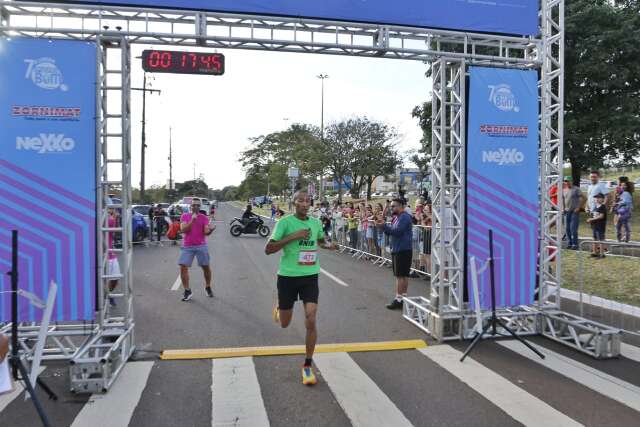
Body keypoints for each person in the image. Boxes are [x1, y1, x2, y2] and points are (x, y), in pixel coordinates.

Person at [265, 190, 335, 386]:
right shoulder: (285, 223)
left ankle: (307, 365)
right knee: (285, 323)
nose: (305, 203)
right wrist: (294, 236)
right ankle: (281, 306)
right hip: (287, 277)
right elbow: (268, 249)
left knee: (311, 317)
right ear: (293, 203)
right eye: (301, 200)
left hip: (310, 276)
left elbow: (320, 240)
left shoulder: (315, 222)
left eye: (308, 200)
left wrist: (328, 245)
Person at [377, 198, 413, 309]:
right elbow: (391, 232)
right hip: (399, 249)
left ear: (401, 206)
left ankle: (399, 299)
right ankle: (402, 298)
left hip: (402, 249)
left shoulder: (404, 217)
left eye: (394, 206)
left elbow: (397, 232)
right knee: (403, 275)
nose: (391, 208)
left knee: (400, 276)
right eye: (391, 206)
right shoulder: (396, 217)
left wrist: (383, 226)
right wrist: (383, 226)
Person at [179, 197, 215, 301]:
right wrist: (193, 220)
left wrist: (211, 230)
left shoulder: (204, 217)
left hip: (201, 245)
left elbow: (205, 232)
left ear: (200, 206)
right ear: (190, 206)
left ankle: (208, 287)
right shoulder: (185, 216)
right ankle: (187, 291)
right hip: (187, 246)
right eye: (194, 205)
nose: (196, 207)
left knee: (206, 267)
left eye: (198, 205)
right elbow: (183, 230)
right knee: (183, 267)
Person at [563, 177, 583, 250]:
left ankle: (575, 244)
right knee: (567, 228)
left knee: (573, 229)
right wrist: (563, 208)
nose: (567, 182)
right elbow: (563, 199)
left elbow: (581, 198)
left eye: (568, 181)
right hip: (567, 211)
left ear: (571, 181)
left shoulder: (576, 189)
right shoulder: (564, 190)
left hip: (574, 211)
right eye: (565, 181)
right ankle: (569, 243)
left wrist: (578, 207)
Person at [107, 208, 120, 307]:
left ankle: (108, 294)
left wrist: (115, 217)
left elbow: (116, 231)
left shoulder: (112, 218)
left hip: (110, 252)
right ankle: (107, 295)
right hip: (100, 253)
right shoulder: (109, 218)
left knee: (115, 277)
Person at [586, 193, 607, 258]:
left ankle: (602, 254)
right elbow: (594, 214)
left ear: (603, 199)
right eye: (596, 198)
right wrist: (590, 214)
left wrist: (591, 219)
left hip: (600, 226)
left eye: (599, 198)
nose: (597, 199)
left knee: (601, 239)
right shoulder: (596, 207)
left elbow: (601, 216)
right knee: (594, 238)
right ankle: (594, 252)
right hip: (595, 225)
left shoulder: (602, 207)